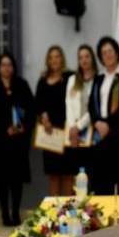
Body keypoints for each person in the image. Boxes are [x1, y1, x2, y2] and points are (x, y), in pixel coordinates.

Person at [0, 52, 33, 226]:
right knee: (2, 179)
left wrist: (22, 127)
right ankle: (5, 213)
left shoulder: (22, 85)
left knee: (16, 179)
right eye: (3, 65)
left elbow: (31, 109)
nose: (6, 68)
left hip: (18, 141)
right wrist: (4, 129)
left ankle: (15, 212)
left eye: (9, 64)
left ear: (13, 67)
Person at [88, 37, 119, 194]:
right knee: (100, 184)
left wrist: (108, 124)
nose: (107, 55)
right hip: (99, 135)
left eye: (110, 51)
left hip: (118, 134)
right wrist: (97, 122)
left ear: (117, 53)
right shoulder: (99, 78)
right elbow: (91, 104)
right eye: (104, 53)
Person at [33, 45, 73, 196]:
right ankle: (54, 210)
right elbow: (38, 105)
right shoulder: (42, 81)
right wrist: (44, 118)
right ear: (47, 61)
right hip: (50, 133)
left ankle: (70, 209)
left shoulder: (70, 77)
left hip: (67, 133)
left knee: (69, 175)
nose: (54, 60)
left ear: (62, 58)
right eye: (51, 57)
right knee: (54, 176)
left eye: (57, 56)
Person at [64, 44, 97, 195]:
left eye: (87, 56)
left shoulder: (98, 79)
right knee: (77, 176)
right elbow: (68, 104)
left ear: (92, 58)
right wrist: (73, 128)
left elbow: (94, 107)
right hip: (74, 136)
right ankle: (79, 206)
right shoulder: (72, 79)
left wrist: (79, 126)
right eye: (80, 57)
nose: (84, 60)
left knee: (92, 174)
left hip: (92, 132)